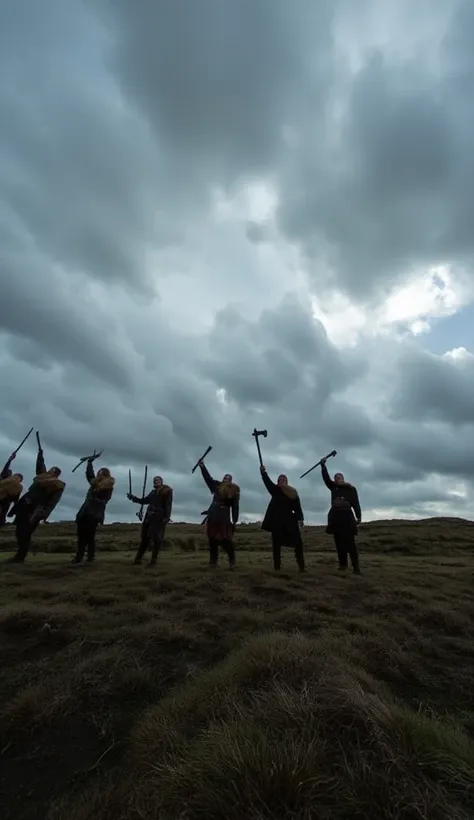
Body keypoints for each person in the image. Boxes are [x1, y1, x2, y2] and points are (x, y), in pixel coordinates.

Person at [7, 444, 65, 563]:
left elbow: (53, 501)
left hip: (35, 510)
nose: (49, 471)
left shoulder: (57, 485)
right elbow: (40, 466)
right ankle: (19, 555)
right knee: (19, 531)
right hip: (24, 504)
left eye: (52, 471)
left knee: (25, 532)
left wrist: (44, 513)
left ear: (56, 474)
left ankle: (20, 556)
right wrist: (40, 455)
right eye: (50, 469)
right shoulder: (41, 477)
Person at [260, 465, 305, 572]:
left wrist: (300, 519)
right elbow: (267, 482)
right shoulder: (275, 490)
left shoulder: (292, 492)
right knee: (276, 545)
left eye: (284, 479)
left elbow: (298, 508)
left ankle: (302, 568)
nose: (282, 481)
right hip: (277, 522)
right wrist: (263, 473)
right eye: (280, 479)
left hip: (290, 522)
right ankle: (277, 568)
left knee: (298, 544)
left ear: (287, 481)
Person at [320, 457, 361, 574]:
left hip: (347, 518)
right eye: (336, 478)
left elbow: (356, 503)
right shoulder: (333, 487)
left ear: (343, 478)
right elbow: (326, 478)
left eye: (339, 477)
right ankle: (343, 565)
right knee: (339, 544)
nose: (337, 479)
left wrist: (359, 516)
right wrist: (323, 466)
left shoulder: (351, 489)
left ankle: (356, 567)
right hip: (336, 518)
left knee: (351, 544)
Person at [72, 459, 115, 564]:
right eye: (99, 473)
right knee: (81, 536)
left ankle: (90, 558)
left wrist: (95, 500)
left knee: (90, 537)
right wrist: (89, 464)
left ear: (106, 475)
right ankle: (78, 557)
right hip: (85, 512)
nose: (99, 475)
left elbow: (105, 500)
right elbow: (90, 476)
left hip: (94, 514)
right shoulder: (94, 484)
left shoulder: (108, 487)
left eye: (101, 474)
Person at [198, 460, 239, 569]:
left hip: (224, 516)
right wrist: (203, 467)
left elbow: (235, 506)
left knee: (225, 540)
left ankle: (232, 561)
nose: (226, 480)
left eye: (228, 479)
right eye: (224, 478)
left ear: (231, 481)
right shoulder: (217, 486)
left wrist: (235, 520)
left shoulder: (234, 490)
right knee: (212, 539)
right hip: (213, 514)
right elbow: (208, 479)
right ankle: (213, 562)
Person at [127, 475, 173, 566]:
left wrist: (166, 517)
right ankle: (138, 560)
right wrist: (133, 498)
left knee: (156, 540)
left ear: (161, 481)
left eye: (157, 480)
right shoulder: (153, 493)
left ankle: (153, 561)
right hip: (149, 518)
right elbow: (144, 501)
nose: (156, 482)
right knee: (145, 539)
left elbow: (168, 505)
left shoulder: (166, 492)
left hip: (158, 519)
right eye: (154, 480)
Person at [0, 452, 23, 527]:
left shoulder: (4, 478)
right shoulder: (19, 487)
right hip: (7, 502)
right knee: (3, 514)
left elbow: (5, 468)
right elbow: (16, 499)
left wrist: (10, 460)